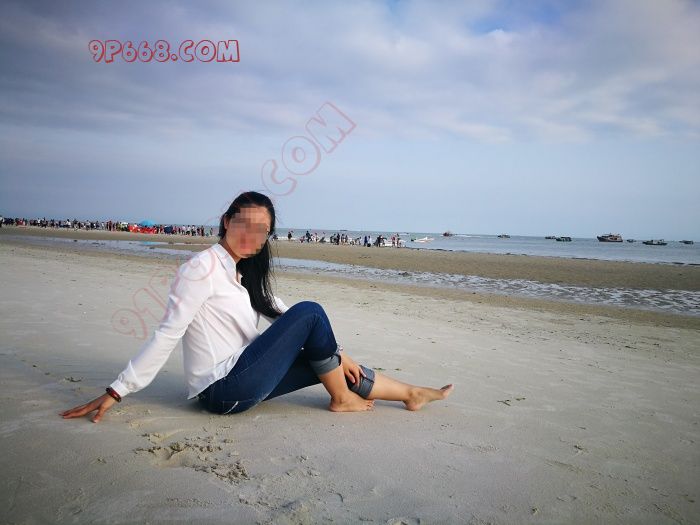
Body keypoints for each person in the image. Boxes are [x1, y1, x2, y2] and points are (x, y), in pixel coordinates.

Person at [60, 191, 453, 423]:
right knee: (311, 311)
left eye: (261, 230)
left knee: (330, 363)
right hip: (221, 389)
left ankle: (410, 394)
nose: (251, 235)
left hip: (241, 379)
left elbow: (280, 311)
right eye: (243, 224)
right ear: (226, 221)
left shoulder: (240, 272)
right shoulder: (200, 269)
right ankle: (342, 399)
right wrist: (117, 390)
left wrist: (340, 353)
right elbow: (168, 333)